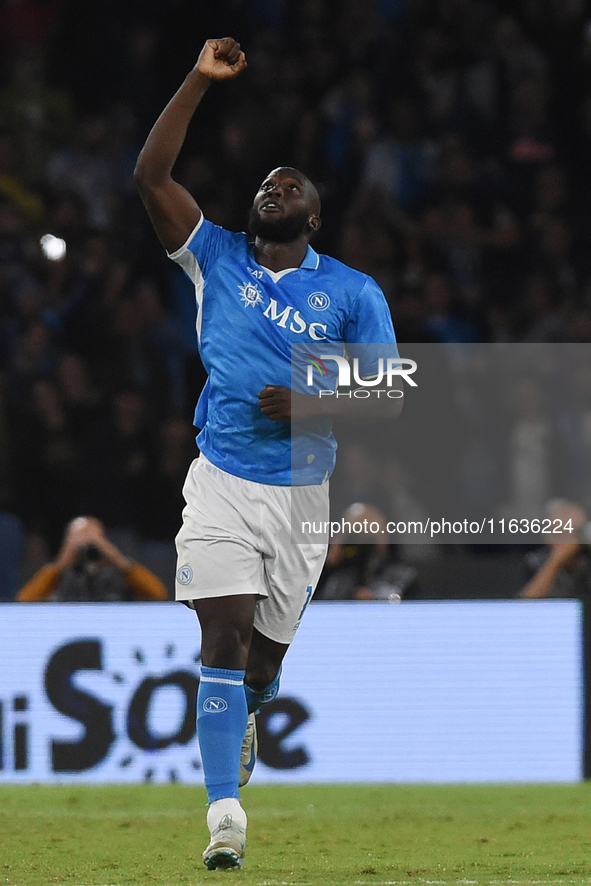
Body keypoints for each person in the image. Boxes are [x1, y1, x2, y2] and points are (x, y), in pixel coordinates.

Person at [134, 36, 398, 871]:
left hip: (301, 496)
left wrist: (315, 399)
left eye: (289, 185)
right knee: (223, 637)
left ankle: (251, 706)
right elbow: (151, 176)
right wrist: (198, 81)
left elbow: (389, 396)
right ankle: (224, 818)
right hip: (219, 479)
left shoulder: (351, 292)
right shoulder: (214, 257)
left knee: (261, 662)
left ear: (312, 218)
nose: (271, 187)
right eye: (263, 183)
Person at [17, 516, 168, 601]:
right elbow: (23, 601)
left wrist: (118, 560)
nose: (88, 548)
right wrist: (60, 566)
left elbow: (158, 594)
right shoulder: (54, 578)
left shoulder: (121, 576)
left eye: (96, 541)